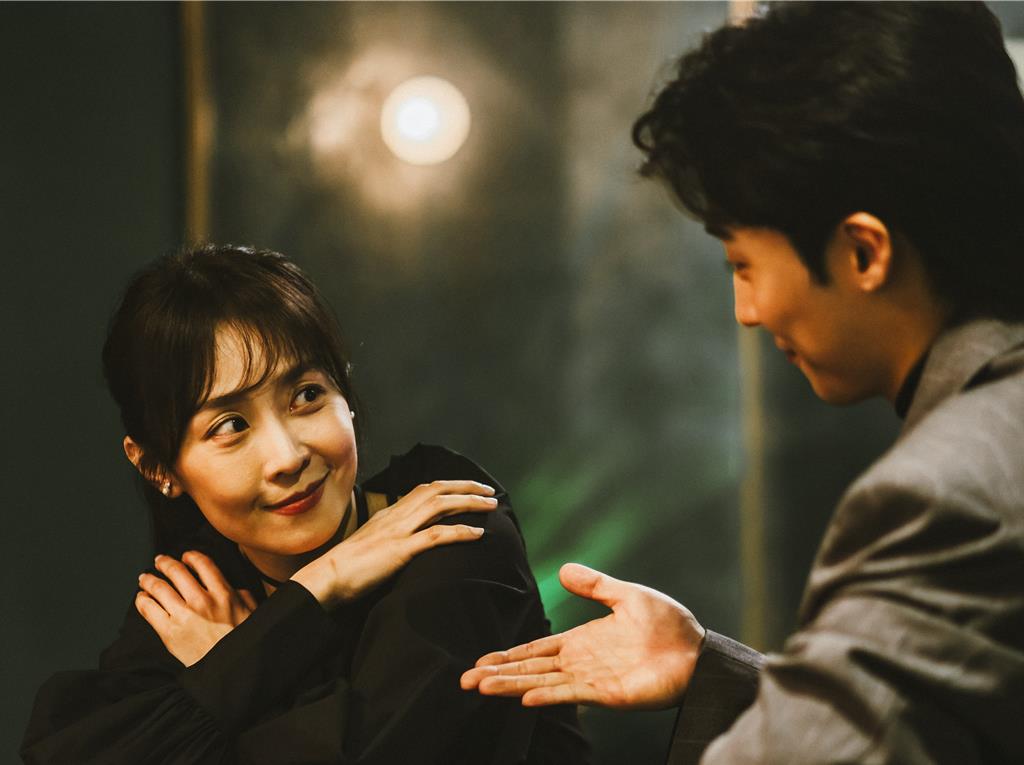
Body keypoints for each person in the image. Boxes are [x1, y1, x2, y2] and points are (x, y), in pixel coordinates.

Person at [461, 3, 1024, 763]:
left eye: (744, 264)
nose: (746, 311)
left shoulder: (946, 497)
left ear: (864, 252)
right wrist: (710, 671)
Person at [21, 245, 589, 764]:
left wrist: (231, 667)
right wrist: (317, 588)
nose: (287, 457)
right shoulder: (197, 592)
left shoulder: (453, 529)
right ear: (159, 469)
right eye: (230, 425)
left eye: (306, 395)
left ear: (345, 393)